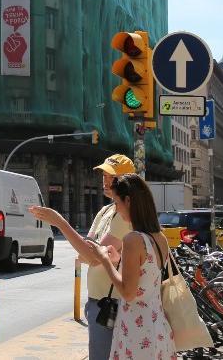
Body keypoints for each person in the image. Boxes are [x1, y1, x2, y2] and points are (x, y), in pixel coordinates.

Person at [35, 174, 177, 360]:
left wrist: (105, 261)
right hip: (157, 326)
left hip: (136, 329)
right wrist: (118, 259)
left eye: (117, 203)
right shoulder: (160, 238)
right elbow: (146, 275)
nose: (115, 208)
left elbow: (128, 292)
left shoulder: (133, 240)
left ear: (128, 200)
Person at [45, 154, 135, 360]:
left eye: (111, 176)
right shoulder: (105, 210)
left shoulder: (124, 214)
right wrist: (91, 251)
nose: (105, 181)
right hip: (97, 302)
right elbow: (85, 252)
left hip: (111, 304)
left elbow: (92, 257)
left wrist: (60, 223)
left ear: (125, 180)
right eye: (103, 175)